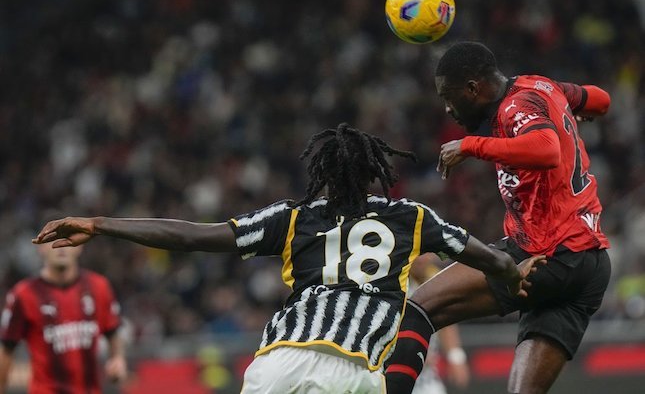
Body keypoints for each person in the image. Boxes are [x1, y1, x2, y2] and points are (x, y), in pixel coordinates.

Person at [32, 124, 544, 394]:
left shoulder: (293, 217)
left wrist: (101, 224)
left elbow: (189, 236)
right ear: (374, 171)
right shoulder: (411, 217)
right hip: (354, 370)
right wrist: (512, 275)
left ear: (321, 171)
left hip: (276, 365)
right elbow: (482, 257)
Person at [384, 41, 612, 394]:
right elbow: (600, 100)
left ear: (473, 88)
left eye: (449, 96)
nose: (447, 108)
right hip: (589, 263)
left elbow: (547, 149)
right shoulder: (543, 87)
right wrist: (567, 107)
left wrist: (470, 145)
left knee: (417, 309)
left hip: (547, 253)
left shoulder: (515, 106)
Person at [0, 236, 127, 394]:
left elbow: (113, 331)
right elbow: (6, 350)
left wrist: (117, 358)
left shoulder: (99, 287)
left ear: (79, 246)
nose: (61, 247)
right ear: (40, 247)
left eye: (67, 240)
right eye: (53, 240)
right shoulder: (23, 294)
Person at [409, 254, 469, 394]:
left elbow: (447, 321)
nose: (423, 259)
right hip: (392, 369)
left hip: (427, 375)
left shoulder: (435, 277)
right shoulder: (395, 283)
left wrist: (455, 356)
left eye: (427, 253)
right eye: (419, 255)